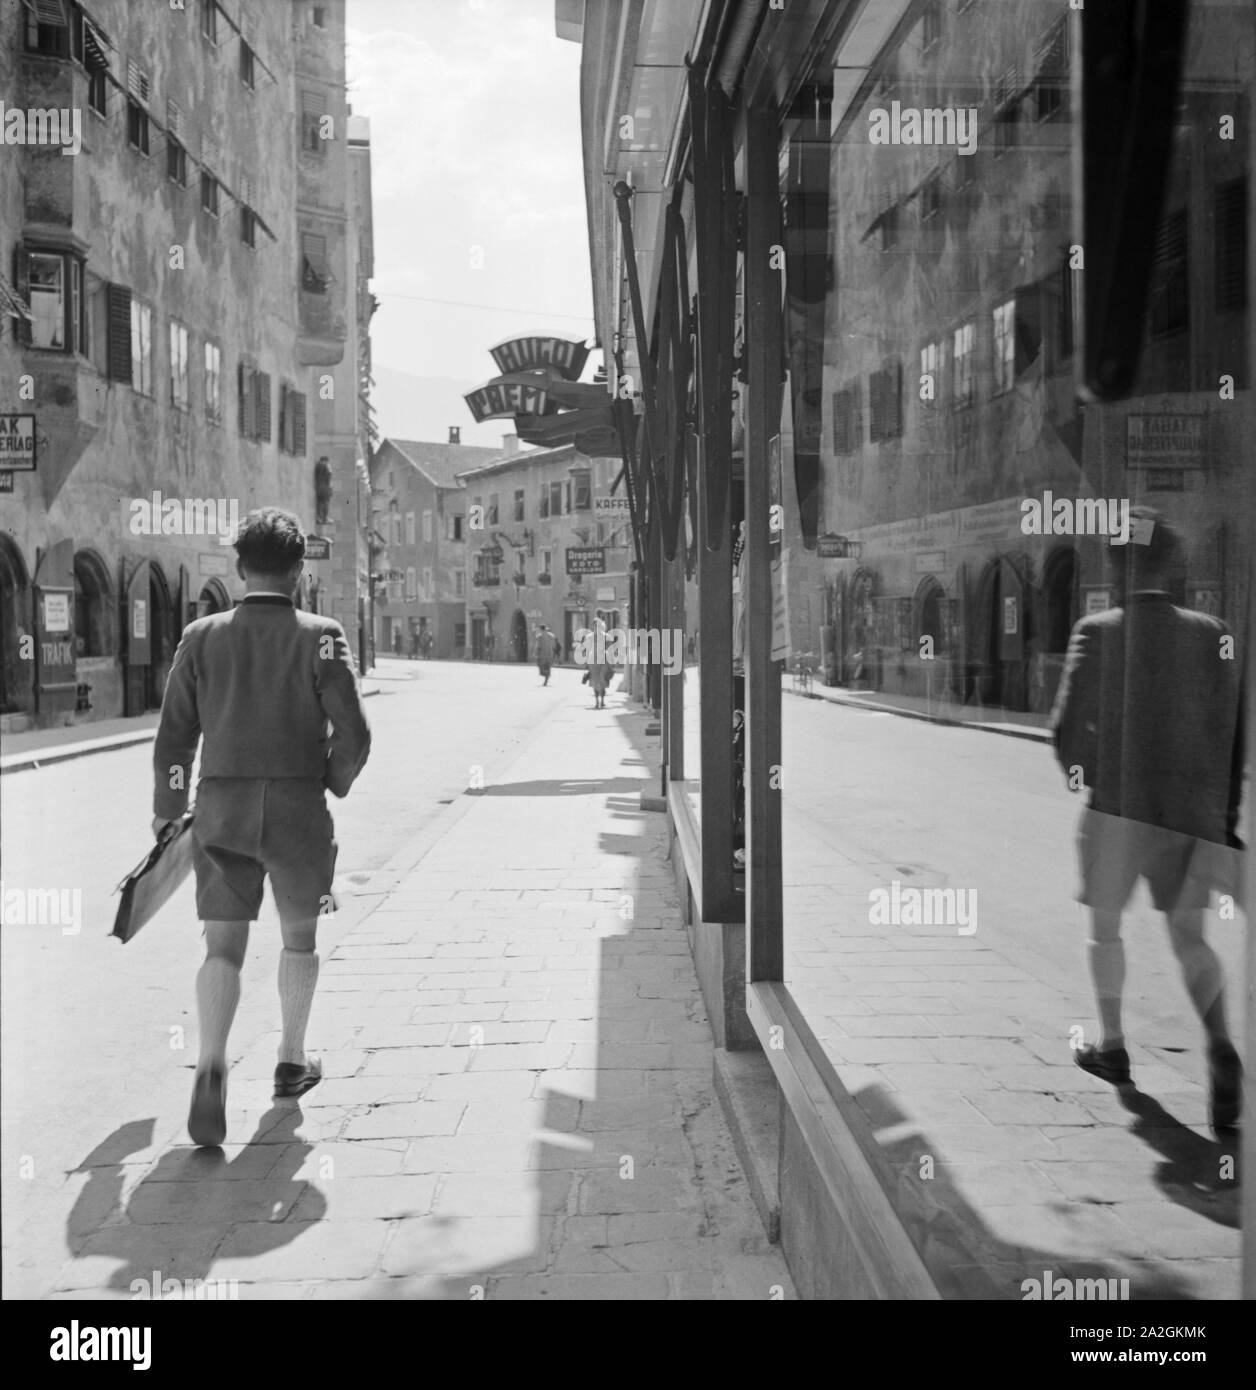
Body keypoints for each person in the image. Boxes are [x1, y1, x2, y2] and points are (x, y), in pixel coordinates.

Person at [152, 508, 371, 1147]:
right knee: (298, 939)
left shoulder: (200, 635)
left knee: (222, 947)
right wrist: (330, 778)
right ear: (300, 570)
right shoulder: (322, 634)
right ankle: (291, 1060)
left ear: (241, 567)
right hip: (298, 811)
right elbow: (354, 732)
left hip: (221, 808)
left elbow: (173, 740)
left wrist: (168, 817)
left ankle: (213, 1063)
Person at [1051, 508, 1244, 1136]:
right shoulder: (1209, 631)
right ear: (1172, 564)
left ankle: (1112, 1045)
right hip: (1191, 814)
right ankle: (1218, 1042)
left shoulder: (1097, 631)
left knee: (1105, 930)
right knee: (1191, 939)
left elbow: (1064, 731)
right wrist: (1221, 817)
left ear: (1115, 566)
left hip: (1118, 811)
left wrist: (1093, 778)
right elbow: (1234, 734)